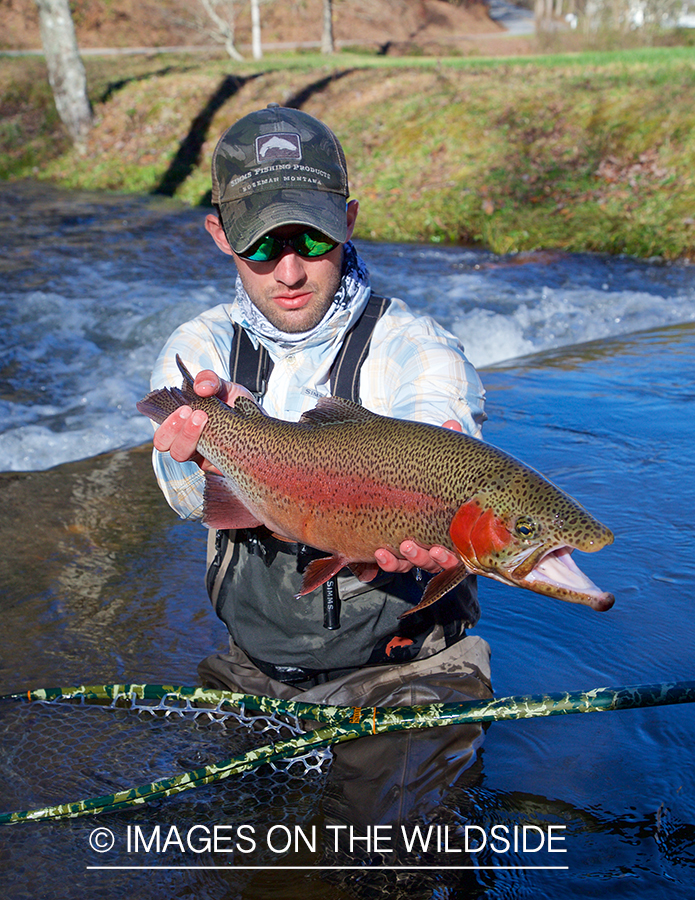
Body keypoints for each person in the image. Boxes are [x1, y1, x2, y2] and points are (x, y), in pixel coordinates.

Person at [148, 103, 492, 719]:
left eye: (311, 236)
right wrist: (214, 449)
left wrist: (442, 514)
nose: (290, 269)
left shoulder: (419, 347)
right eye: (260, 242)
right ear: (221, 234)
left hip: (411, 670)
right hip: (252, 668)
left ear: (349, 221)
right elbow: (181, 496)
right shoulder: (196, 352)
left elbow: (449, 445)